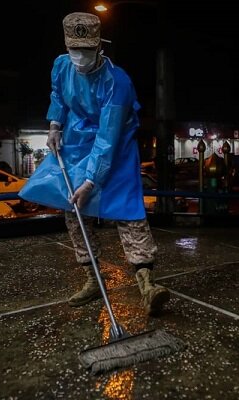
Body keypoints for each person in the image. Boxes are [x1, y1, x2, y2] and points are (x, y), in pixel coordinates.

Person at [19, 12, 169, 316]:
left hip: (116, 147)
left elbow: (107, 136)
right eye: (74, 49)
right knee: (74, 209)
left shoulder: (117, 82)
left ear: (99, 46)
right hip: (76, 144)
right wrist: (54, 125)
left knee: (127, 211)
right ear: (66, 46)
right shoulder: (62, 65)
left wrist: (91, 181)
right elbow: (58, 97)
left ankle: (147, 284)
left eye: (86, 50)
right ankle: (92, 278)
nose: (79, 56)